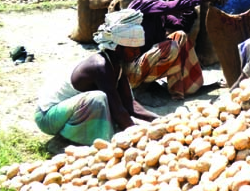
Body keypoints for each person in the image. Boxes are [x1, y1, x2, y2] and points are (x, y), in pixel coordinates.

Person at [34, 9, 159, 146]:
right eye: (133, 49)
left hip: (65, 112)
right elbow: (118, 110)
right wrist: (138, 138)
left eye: (138, 48)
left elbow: (129, 104)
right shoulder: (101, 66)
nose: (138, 53)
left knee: (107, 106)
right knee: (99, 99)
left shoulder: (118, 64)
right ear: (117, 47)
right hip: (47, 117)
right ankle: (83, 141)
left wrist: (160, 121)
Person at [126, 0, 226, 100]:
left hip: (146, 65)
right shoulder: (140, 4)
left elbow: (182, 25)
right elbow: (171, 7)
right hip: (133, 71)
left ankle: (185, 89)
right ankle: (141, 88)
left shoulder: (158, 12)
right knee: (171, 46)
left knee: (180, 36)